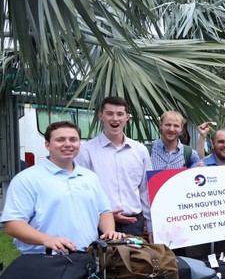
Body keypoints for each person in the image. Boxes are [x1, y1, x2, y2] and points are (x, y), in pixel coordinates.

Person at [2, 121, 125, 254]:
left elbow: (104, 211)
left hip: (88, 258)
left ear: (79, 144)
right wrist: (46, 239)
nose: (68, 144)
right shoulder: (27, 179)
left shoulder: (90, 177)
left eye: (73, 139)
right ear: (47, 145)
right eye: (60, 140)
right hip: (45, 258)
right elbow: (13, 224)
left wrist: (109, 231)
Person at [75, 96, 152, 236]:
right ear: (101, 116)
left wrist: (151, 225)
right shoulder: (86, 151)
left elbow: (145, 190)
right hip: (99, 224)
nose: (115, 119)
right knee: (101, 259)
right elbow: (82, 191)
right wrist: (106, 215)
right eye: (109, 113)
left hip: (134, 224)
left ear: (127, 117)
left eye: (120, 114)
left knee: (135, 258)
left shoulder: (140, 150)